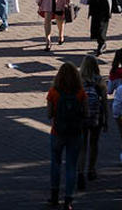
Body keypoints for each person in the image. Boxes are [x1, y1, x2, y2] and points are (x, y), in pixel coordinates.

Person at [46, 62, 88, 210]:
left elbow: (49, 114)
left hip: (57, 132)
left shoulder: (53, 92)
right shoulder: (80, 92)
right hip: (75, 133)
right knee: (71, 166)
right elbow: (85, 113)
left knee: (55, 163)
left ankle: (54, 196)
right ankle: (68, 200)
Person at [76, 55, 107, 191]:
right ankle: (91, 170)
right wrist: (105, 119)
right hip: (96, 116)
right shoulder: (99, 81)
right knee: (94, 143)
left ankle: (80, 172)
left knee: (82, 146)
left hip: (81, 116)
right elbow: (104, 102)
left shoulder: (79, 80)